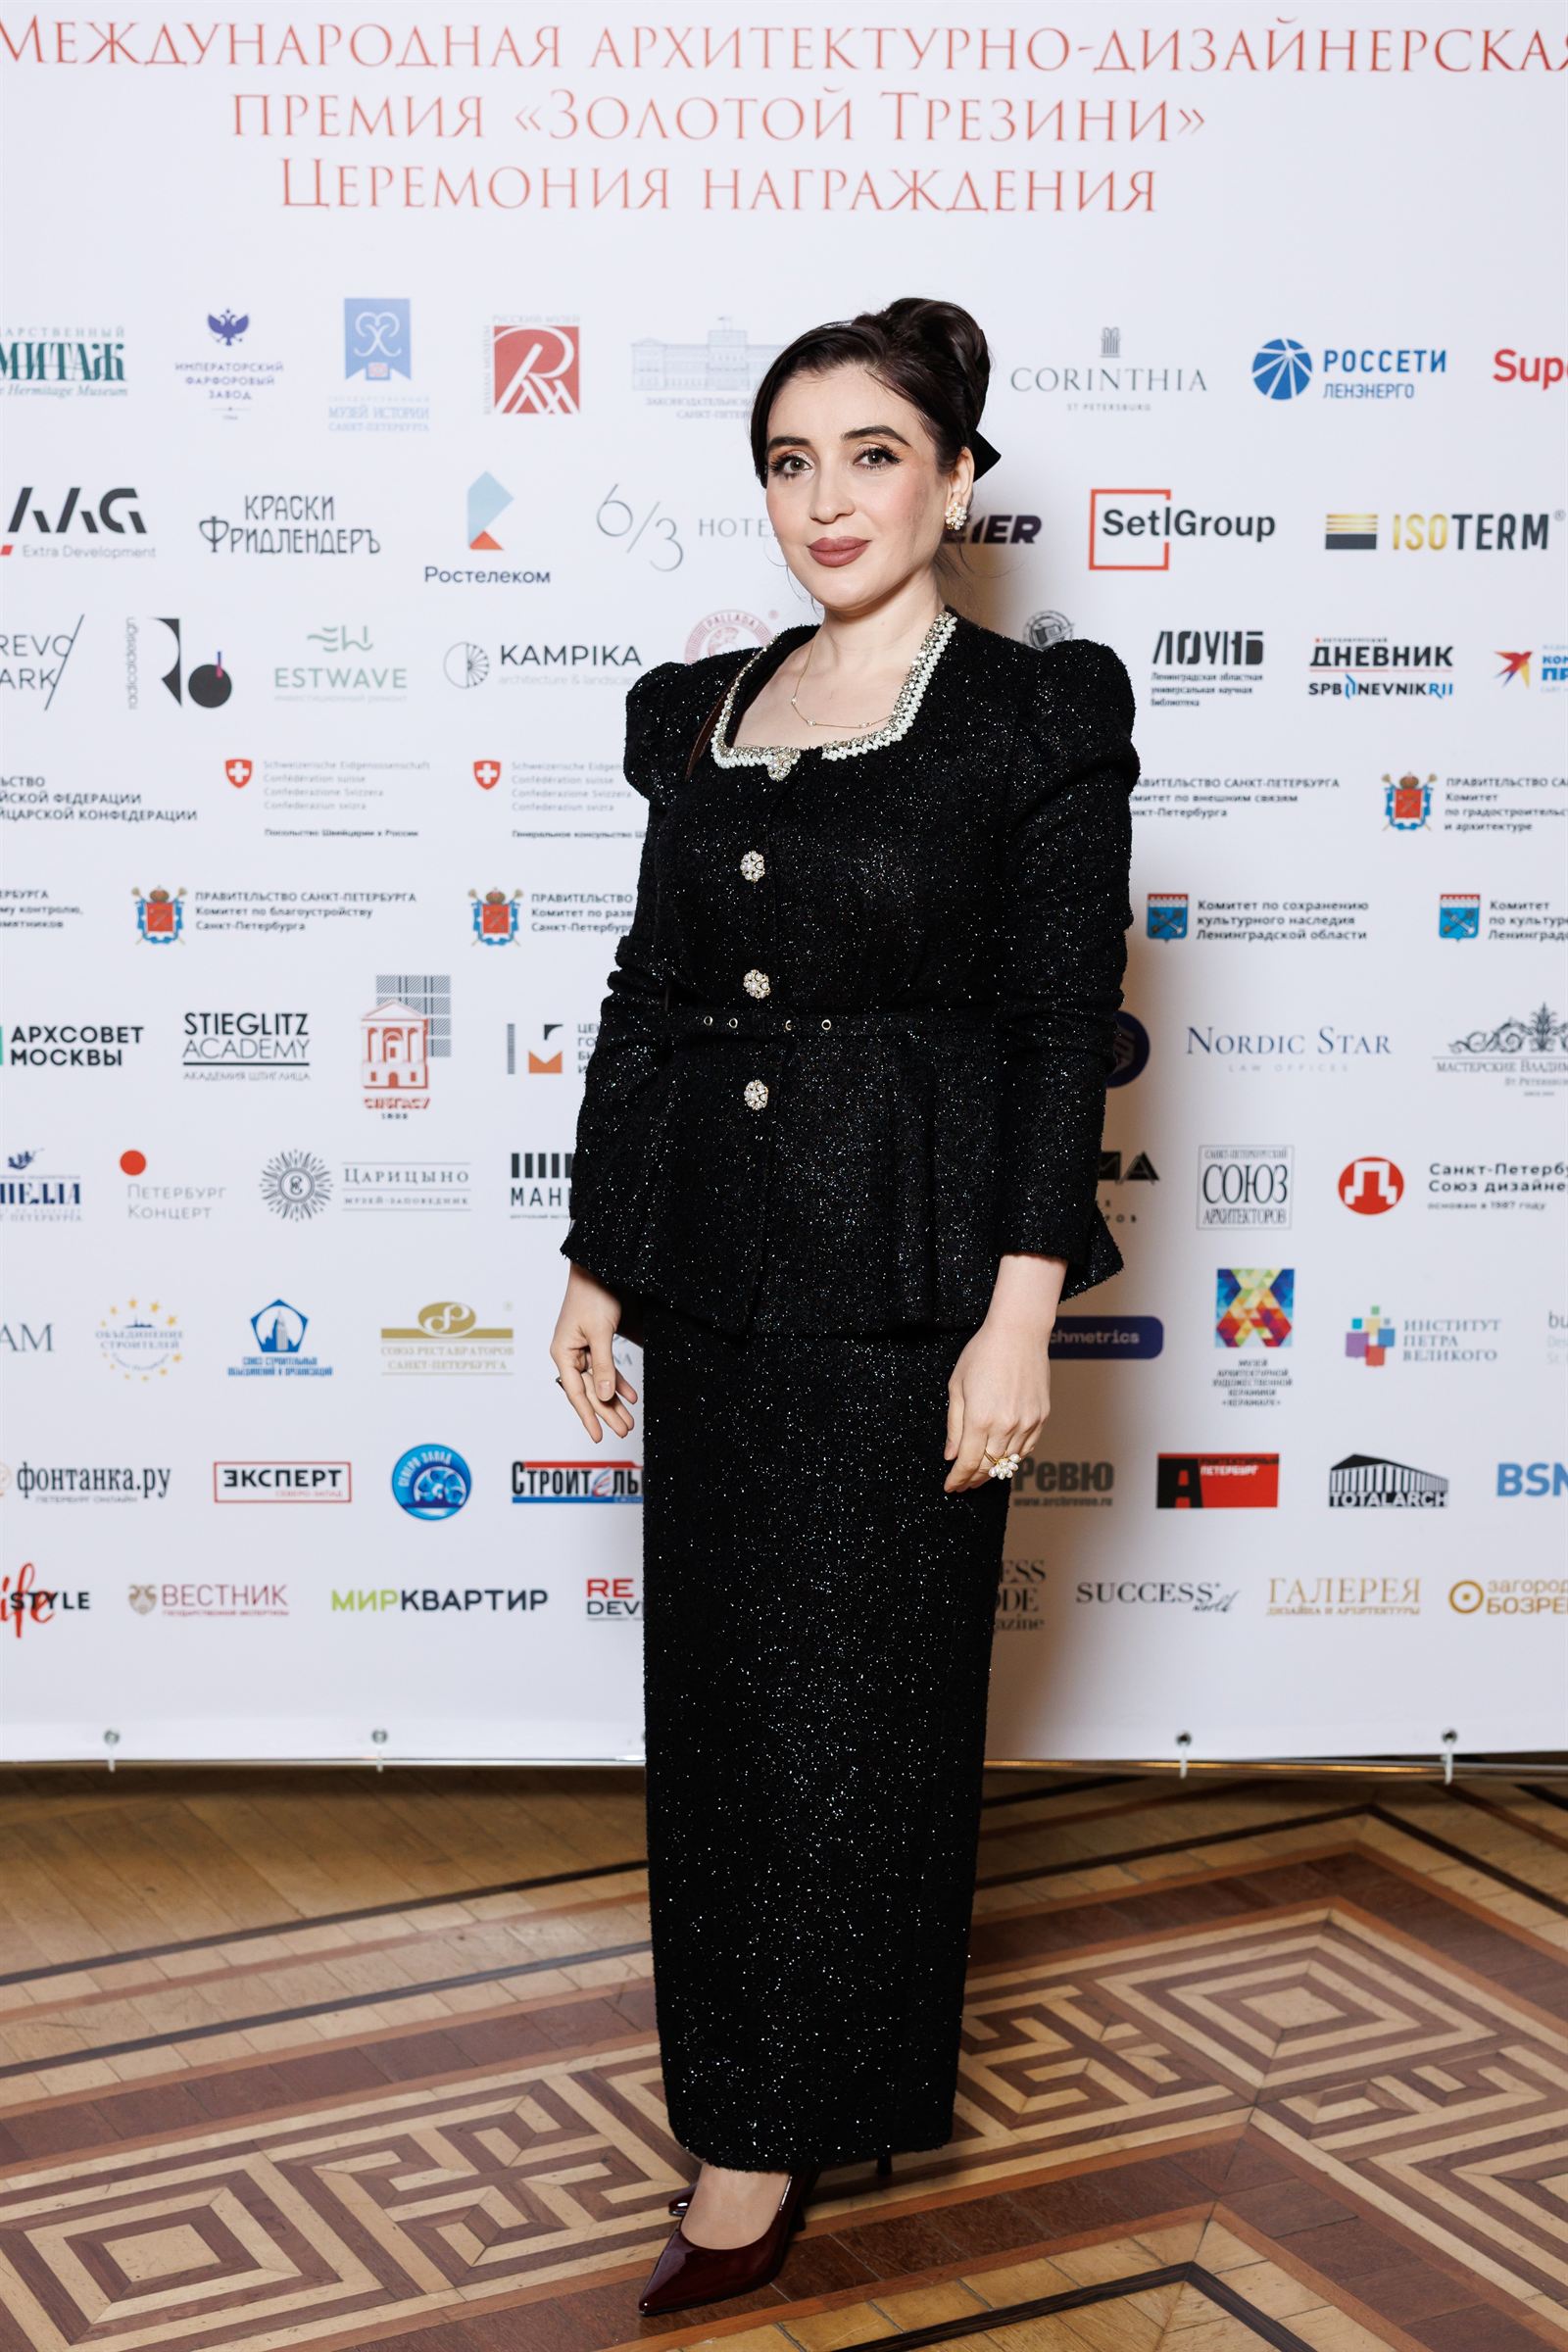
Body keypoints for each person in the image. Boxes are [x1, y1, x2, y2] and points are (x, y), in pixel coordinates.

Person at [548, 295, 1140, 2318]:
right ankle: (758, 2096)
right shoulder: (702, 711)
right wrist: (596, 1254)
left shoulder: (1032, 719)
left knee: (857, 1726)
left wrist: (1018, 1317)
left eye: (872, 455)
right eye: (789, 461)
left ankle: (769, 2140)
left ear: (955, 479)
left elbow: (1061, 1032)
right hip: (716, 1285)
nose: (828, 498)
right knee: (722, 1718)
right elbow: (650, 994)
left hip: (906, 1295)